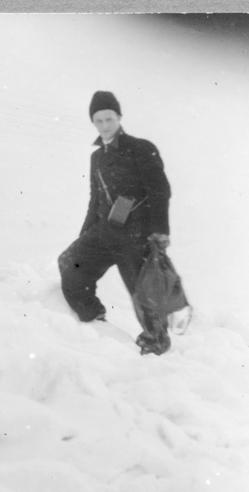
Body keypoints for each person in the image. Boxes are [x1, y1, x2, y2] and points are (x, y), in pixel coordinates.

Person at [58, 90, 188, 342]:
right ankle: (94, 318)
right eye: (99, 120)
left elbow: (160, 190)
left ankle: (155, 343)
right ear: (93, 122)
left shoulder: (141, 148)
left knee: (144, 292)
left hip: (135, 235)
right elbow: (95, 199)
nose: (105, 125)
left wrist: (160, 231)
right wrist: (85, 234)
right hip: (104, 231)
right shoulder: (97, 157)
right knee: (69, 262)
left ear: (119, 117)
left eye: (109, 119)